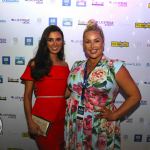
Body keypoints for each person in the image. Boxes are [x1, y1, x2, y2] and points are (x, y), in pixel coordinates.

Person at [64, 19, 141, 150]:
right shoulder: (77, 65)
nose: (92, 46)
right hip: (75, 122)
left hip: (99, 126)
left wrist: (115, 115)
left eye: (96, 41)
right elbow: (68, 92)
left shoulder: (114, 67)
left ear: (103, 43)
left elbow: (135, 96)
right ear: (83, 45)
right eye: (88, 42)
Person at [21, 25, 70, 150]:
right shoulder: (34, 64)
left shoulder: (65, 66)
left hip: (61, 118)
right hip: (42, 120)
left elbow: (64, 93)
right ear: (45, 42)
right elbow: (27, 96)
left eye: (58, 39)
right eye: (50, 40)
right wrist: (30, 122)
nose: (55, 43)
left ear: (62, 42)